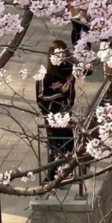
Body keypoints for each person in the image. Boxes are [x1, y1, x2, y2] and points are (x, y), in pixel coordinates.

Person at [36, 40, 76, 182]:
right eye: (59, 54)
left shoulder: (68, 69)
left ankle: (66, 172)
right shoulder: (45, 74)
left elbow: (71, 93)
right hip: (52, 115)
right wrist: (60, 92)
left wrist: (69, 86)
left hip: (65, 113)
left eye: (64, 53)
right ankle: (51, 176)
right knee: (55, 145)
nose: (62, 57)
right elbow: (41, 96)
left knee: (69, 143)